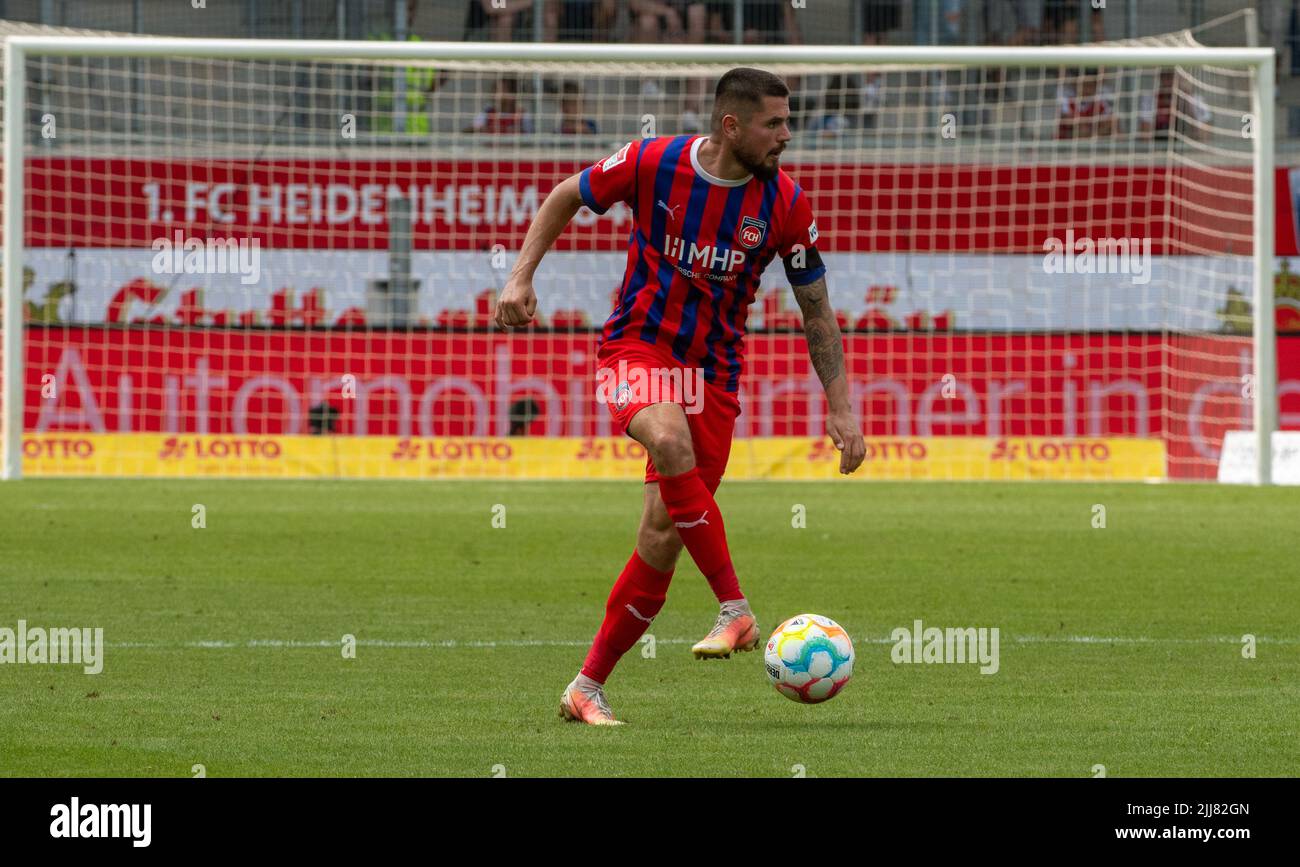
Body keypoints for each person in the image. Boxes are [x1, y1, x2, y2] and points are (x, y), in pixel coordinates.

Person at [494, 68, 867, 725]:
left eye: (788, 121)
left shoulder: (785, 204)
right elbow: (564, 195)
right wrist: (520, 277)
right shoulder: (652, 162)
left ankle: (585, 688)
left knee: (661, 536)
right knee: (667, 439)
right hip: (635, 349)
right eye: (773, 123)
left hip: (715, 378)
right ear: (731, 126)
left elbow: (816, 310)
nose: (787, 135)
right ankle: (736, 607)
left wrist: (839, 404)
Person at [1056, 67, 1116, 139]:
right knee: (1081, 129)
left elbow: (1110, 122)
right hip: (1066, 144)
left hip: (1093, 138)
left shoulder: (1100, 102)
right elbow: (1076, 127)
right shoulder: (1067, 100)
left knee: (1114, 123)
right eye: (1085, 85)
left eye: (1091, 85)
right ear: (1076, 85)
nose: (1088, 89)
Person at [463, 74, 534, 134]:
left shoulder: (523, 115)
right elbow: (467, 131)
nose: (495, 94)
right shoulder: (487, 113)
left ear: (513, 94)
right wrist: (481, 129)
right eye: (495, 90)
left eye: (500, 90)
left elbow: (530, 137)